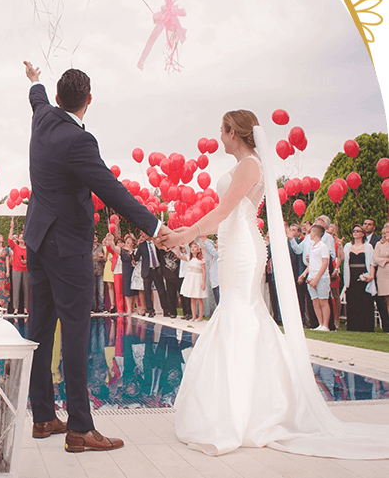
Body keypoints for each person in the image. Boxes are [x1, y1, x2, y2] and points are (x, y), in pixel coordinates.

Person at [158, 110, 389, 458]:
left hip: (241, 247)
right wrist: (183, 235)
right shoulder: (245, 164)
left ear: (233, 132)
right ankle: (247, 404)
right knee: (239, 312)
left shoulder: (250, 165)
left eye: (221, 131)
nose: (219, 137)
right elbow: (224, 215)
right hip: (233, 243)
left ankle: (249, 411)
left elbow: (224, 211)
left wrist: (182, 234)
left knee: (242, 312)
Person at [22, 61, 166, 452]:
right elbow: (112, 189)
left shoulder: (42, 119)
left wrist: (34, 79)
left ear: (56, 97)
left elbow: (35, 97)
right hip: (67, 249)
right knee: (75, 332)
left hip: (36, 240)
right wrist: (153, 227)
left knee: (38, 332)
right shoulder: (78, 140)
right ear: (88, 100)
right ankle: (80, 428)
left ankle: (43, 416)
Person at [343, 224, 376, 332]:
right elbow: (342, 258)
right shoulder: (348, 246)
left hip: (364, 274)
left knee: (365, 299)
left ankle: (366, 326)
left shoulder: (368, 246)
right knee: (353, 299)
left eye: (358, 231)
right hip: (351, 275)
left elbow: (371, 262)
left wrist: (371, 275)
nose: (356, 233)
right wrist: (339, 246)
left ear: (362, 234)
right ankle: (353, 325)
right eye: (354, 231)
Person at [297, 224, 331, 331]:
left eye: (311, 232)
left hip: (322, 278)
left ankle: (326, 325)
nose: (309, 234)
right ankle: (320, 324)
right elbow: (311, 264)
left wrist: (317, 278)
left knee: (323, 301)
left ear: (315, 233)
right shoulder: (312, 246)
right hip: (311, 277)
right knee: (315, 301)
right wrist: (303, 274)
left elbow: (325, 264)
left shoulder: (323, 246)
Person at [136, 231, 172, 317]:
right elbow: (136, 257)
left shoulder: (156, 243)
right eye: (143, 234)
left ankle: (166, 310)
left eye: (145, 233)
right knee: (147, 292)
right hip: (147, 270)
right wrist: (137, 245)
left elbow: (162, 254)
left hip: (157, 269)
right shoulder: (142, 245)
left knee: (161, 291)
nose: (144, 235)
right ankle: (150, 311)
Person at [178, 241, 208, 321]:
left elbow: (204, 271)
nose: (193, 248)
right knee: (192, 298)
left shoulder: (201, 260)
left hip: (198, 278)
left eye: (195, 247)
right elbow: (179, 256)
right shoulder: (189, 258)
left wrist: (203, 282)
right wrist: (178, 247)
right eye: (192, 247)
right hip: (190, 278)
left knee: (199, 298)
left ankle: (200, 316)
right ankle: (194, 316)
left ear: (198, 250)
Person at [9, 219, 30, 314]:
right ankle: (15, 309)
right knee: (16, 289)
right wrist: (11, 228)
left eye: (23, 236)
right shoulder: (15, 247)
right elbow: (9, 239)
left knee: (26, 289)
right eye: (20, 237)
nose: (21, 238)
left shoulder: (28, 249)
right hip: (16, 269)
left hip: (26, 269)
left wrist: (26, 262)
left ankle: (26, 309)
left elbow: (32, 259)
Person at [372, 223, 389, 332]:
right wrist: (386, 260)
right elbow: (375, 259)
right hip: (383, 273)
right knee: (386, 299)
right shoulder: (379, 244)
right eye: (384, 233)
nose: (385, 235)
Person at [91, 233, 106, 313]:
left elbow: (105, 260)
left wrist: (99, 259)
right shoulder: (88, 247)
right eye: (93, 237)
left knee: (101, 291)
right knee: (92, 291)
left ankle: (101, 307)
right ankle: (92, 308)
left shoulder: (101, 247)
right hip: (92, 271)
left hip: (100, 271)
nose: (94, 238)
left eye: (96, 236)